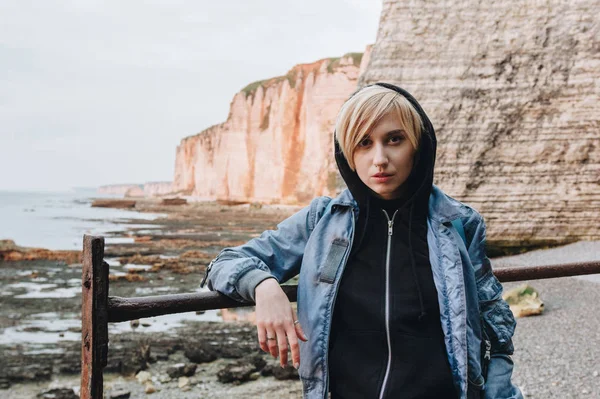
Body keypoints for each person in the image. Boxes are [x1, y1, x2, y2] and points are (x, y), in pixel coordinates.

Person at [202, 83, 523, 399]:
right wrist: (263, 286)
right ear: (348, 153)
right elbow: (224, 263)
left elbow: (495, 325)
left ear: (419, 145)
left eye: (394, 139)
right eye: (364, 143)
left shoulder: (458, 224)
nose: (379, 158)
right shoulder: (321, 221)